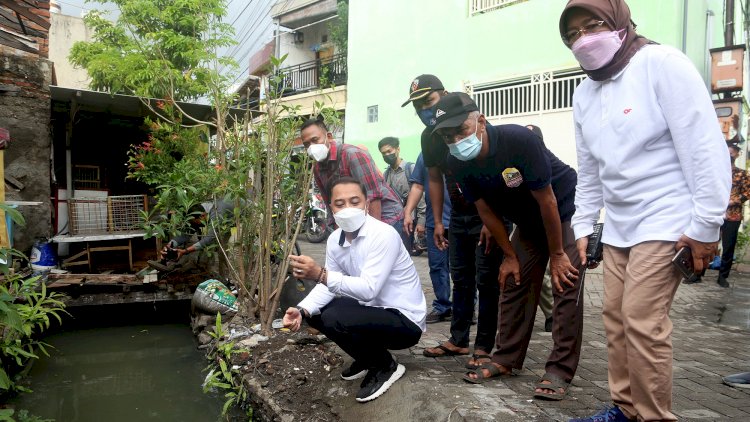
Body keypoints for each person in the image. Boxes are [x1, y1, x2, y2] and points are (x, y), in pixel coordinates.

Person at [560, 1, 731, 420]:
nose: (583, 38)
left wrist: (706, 224)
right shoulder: (585, 93)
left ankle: (655, 416)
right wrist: (583, 224)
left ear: (619, 22)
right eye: (572, 34)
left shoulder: (661, 64)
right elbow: (591, 169)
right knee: (615, 319)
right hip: (619, 225)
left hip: (668, 218)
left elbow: (703, 147)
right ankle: (624, 408)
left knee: (641, 320)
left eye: (593, 24)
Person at [431, 93, 583, 401]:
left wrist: (556, 254)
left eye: (461, 130)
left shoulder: (518, 140)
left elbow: (548, 200)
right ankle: (506, 358)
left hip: (565, 210)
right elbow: (485, 209)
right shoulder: (456, 161)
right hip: (526, 220)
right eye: (448, 135)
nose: (456, 139)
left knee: (565, 282)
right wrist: (510, 256)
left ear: (481, 122)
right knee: (513, 280)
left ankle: (559, 370)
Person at [282, 177, 426, 403]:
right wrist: (301, 311)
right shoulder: (334, 241)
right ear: (330, 208)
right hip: (372, 312)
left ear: (366, 204)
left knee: (336, 315)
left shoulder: (383, 234)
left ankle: (384, 366)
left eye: (354, 201)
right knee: (317, 312)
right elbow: (327, 286)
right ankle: (367, 357)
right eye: (340, 204)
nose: (347, 209)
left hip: (404, 321)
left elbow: (369, 289)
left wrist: (320, 274)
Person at [402, 74, 503, 364]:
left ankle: (484, 346)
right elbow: (434, 178)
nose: (425, 111)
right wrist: (438, 221)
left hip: (490, 212)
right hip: (458, 214)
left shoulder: (471, 122)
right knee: (460, 277)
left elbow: (494, 171)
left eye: (429, 102)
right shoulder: (428, 137)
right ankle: (458, 340)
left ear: (444, 95)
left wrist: (491, 220)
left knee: (486, 279)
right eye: (418, 106)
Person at [301, 116, 404, 234]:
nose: (311, 147)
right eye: (307, 144)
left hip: (387, 218)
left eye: (315, 140)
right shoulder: (318, 169)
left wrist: (372, 234)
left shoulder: (353, 155)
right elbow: (330, 203)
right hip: (355, 222)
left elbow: (373, 196)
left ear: (328, 137)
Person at [403, 152, 452, 323]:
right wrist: (408, 212)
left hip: (462, 221)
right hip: (434, 222)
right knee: (438, 267)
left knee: (464, 269)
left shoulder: (461, 148)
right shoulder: (426, 154)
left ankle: (465, 308)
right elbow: (417, 186)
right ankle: (443, 306)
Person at [148, 199, 234, 276]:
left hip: (242, 220)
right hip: (226, 223)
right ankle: (225, 280)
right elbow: (186, 233)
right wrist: (169, 246)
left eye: (195, 222)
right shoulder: (197, 211)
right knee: (222, 251)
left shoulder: (216, 214)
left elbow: (209, 238)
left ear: (203, 216)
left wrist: (184, 251)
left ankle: (237, 282)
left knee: (231, 248)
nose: (196, 225)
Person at [526, 124, 555, 332]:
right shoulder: (514, 166)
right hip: (527, 223)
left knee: (550, 273)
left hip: (552, 224)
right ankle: (551, 313)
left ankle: (554, 314)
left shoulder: (550, 163)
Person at [378, 136, 426, 252]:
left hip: (409, 223)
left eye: (389, 151)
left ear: (398, 149)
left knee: (405, 256)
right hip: (393, 223)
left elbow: (421, 199)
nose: (386, 155)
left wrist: (421, 223)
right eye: (383, 153)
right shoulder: (386, 174)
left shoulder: (411, 169)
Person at [718, 138, 750, 288]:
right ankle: (697, 274)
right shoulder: (716, 172)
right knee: (705, 241)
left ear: (736, 155)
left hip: (733, 215)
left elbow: (747, 192)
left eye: (732, 152)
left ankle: (723, 276)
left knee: (728, 246)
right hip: (715, 213)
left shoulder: (742, 174)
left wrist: (734, 200)